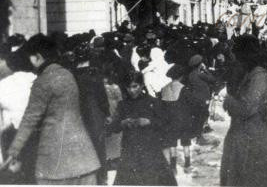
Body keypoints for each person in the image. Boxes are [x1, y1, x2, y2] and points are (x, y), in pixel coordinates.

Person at [5, 34, 100, 184]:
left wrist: (14, 150)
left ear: (37, 57)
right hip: (84, 157)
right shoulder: (68, 75)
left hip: (54, 161)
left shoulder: (43, 81)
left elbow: (30, 118)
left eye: (30, 57)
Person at [221, 34, 267, 187]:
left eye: (236, 52)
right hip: (246, 135)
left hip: (254, 138)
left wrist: (227, 99)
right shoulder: (249, 72)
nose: (233, 56)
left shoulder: (258, 75)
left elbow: (248, 107)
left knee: (256, 177)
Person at [109, 71, 176, 186]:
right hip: (130, 152)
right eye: (128, 87)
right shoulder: (123, 104)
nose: (131, 90)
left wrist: (149, 122)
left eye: (135, 86)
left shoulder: (152, 102)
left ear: (142, 85)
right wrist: (122, 123)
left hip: (150, 151)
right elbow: (113, 128)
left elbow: (165, 123)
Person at [72, 41, 110, 185]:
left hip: (78, 111)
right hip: (94, 111)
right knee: (98, 144)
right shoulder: (94, 72)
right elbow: (101, 94)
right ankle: (101, 178)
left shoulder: (72, 73)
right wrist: (106, 112)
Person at [0, 47, 36, 184]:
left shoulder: (4, 84)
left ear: (10, 65)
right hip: (37, 134)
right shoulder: (37, 80)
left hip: (12, 136)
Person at [160, 64, 186, 176]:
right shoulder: (183, 88)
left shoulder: (164, 88)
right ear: (181, 76)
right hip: (179, 117)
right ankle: (180, 165)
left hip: (166, 117)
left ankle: (172, 166)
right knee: (181, 141)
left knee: (171, 142)